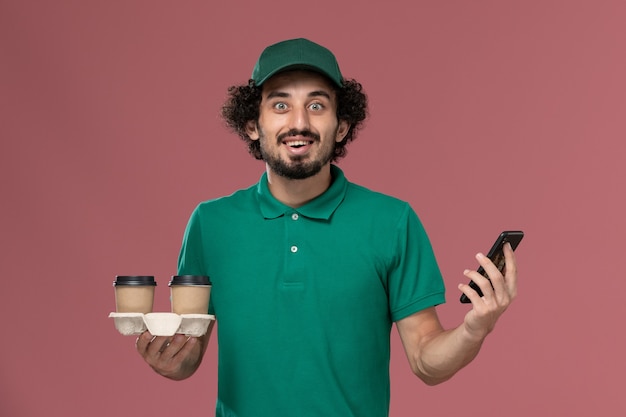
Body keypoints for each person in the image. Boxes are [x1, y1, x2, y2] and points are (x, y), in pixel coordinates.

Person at [135, 38, 518, 417]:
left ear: (341, 126)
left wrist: (474, 329)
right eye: (280, 105)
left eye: (316, 105)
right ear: (253, 124)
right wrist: (167, 359)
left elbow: (426, 361)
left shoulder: (392, 221)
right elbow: (188, 355)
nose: (299, 123)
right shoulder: (210, 223)